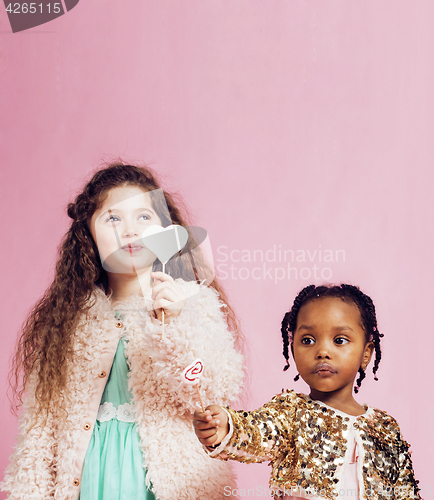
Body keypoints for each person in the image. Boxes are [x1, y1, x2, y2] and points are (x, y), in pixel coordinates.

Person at [2, 163, 244, 500]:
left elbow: (211, 393)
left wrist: (171, 327)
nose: (130, 231)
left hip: (167, 481)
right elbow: (39, 428)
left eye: (144, 217)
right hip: (88, 476)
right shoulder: (66, 320)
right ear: (88, 234)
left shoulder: (194, 303)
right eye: (113, 218)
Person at [193, 284, 421, 500]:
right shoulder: (290, 412)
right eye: (308, 340)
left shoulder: (385, 428)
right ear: (293, 350)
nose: (322, 351)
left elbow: (405, 491)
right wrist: (225, 427)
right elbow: (257, 432)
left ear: (366, 354)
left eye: (339, 340)